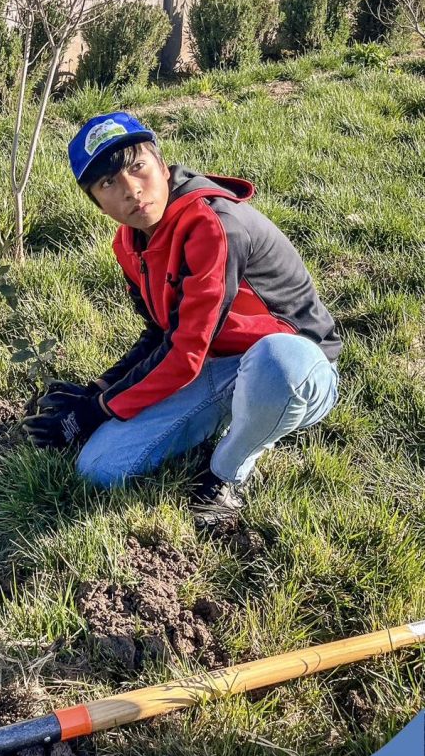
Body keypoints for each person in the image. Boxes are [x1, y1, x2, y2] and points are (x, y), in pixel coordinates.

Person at [23, 112, 341, 525]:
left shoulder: (214, 225)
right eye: (108, 183)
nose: (131, 189)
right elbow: (161, 334)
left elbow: (185, 350)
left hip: (296, 367)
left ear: (162, 164)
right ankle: (238, 414)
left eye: (138, 166)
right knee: (99, 468)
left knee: (278, 365)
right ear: (96, 202)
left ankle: (227, 472)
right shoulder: (130, 242)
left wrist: (96, 411)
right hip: (217, 362)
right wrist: (96, 392)